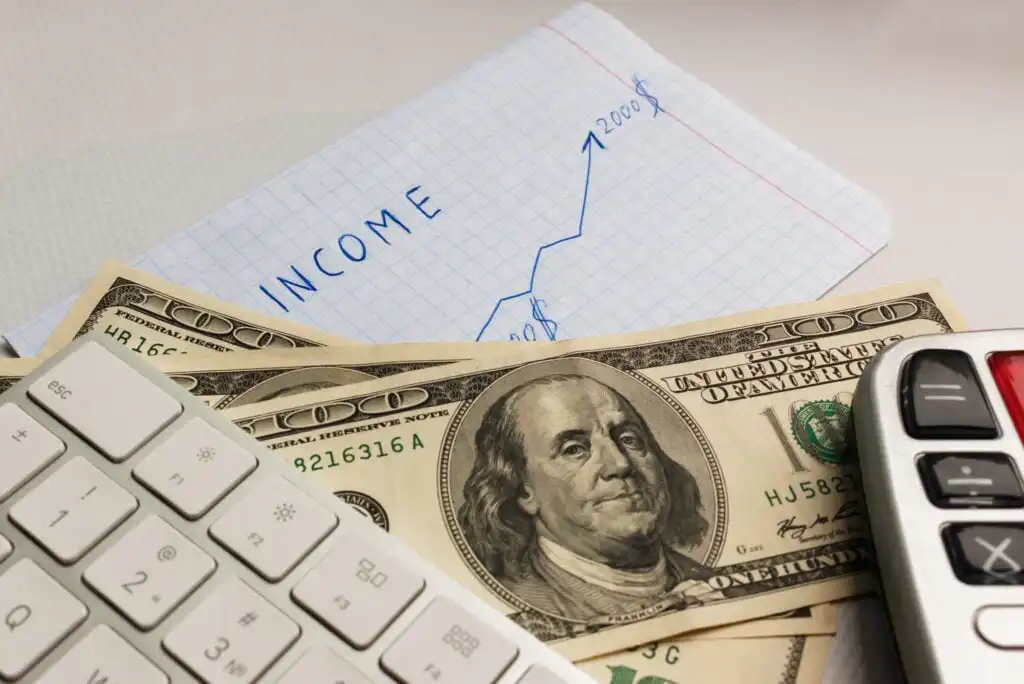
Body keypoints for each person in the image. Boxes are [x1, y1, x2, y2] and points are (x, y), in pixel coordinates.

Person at [458, 373, 732, 621]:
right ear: (523, 490)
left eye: (629, 439)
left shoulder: (722, 583)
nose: (620, 464)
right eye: (575, 449)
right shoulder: (502, 610)